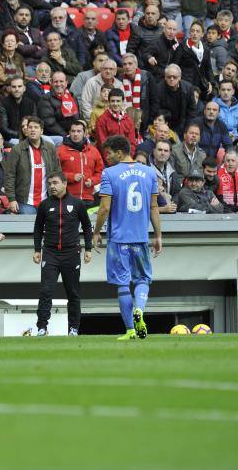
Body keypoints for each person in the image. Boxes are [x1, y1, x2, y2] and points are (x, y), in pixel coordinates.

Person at [93, 135, 162, 340]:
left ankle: (130, 329)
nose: (107, 157)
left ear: (119, 152)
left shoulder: (109, 173)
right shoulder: (149, 173)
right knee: (143, 279)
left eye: (109, 153)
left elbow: (104, 208)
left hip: (118, 239)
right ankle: (139, 308)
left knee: (123, 283)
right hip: (140, 237)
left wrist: (96, 232)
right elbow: (154, 207)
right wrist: (158, 235)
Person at [32, 171, 93, 337]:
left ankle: (73, 329)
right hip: (50, 253)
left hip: (71, 253)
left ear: (65, 184)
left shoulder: (78, 204)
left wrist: (88, 248)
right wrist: (37, 249)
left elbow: (87, 227)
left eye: (55, 183)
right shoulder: (44, 205)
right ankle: (42, 328)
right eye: (49, 183)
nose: (52, 186)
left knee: (73, 293)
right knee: (46, 291)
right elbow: (38, 228)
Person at [4, 116, 59, 215]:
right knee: (30, 224)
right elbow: (10, 176)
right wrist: (11, 199)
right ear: (26, 130)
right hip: (24, 201)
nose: (32, 130)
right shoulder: (17, 150)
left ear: (41, 131)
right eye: (30, 127)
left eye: (36, 127)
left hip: (47, 200)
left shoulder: (51, 148)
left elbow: (57, 172)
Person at [57, 120, 104, 205]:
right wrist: (71, 177)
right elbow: (55, 173)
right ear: (69, 133)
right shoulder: (60, 150)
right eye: (73, 131)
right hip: (67, 198)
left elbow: (100, 172)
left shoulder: (93, 151)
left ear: (84, 133)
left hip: (88, 198)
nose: (75, 134)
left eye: (79, 131)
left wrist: (92, 181)